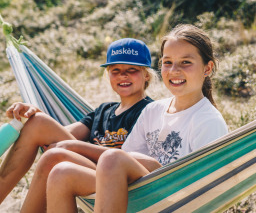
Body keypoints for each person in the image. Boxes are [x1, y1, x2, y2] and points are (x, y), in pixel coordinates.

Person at [45, 24, 228, 213]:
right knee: (61, 173)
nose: (174, 70)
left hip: (174, 202)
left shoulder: (207, 121)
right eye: (167, 62)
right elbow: (122, 162)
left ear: (207, 68)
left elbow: (209, 190)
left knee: (113, 157)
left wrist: (75, 146)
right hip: (138, 194)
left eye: (186, 62)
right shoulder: (153, 110)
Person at [0, 38, 156, 212]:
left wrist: (71, 146)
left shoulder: (150, 110)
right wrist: (32, 113)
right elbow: (56, 136)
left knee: (54, 157)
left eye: (132, 70)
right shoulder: (103, 110)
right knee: (37, 123)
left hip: (121, 178)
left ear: (146, 74)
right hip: (89, 170)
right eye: (115, 70)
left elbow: (142, 160)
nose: (122, 75)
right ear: (108, 74)